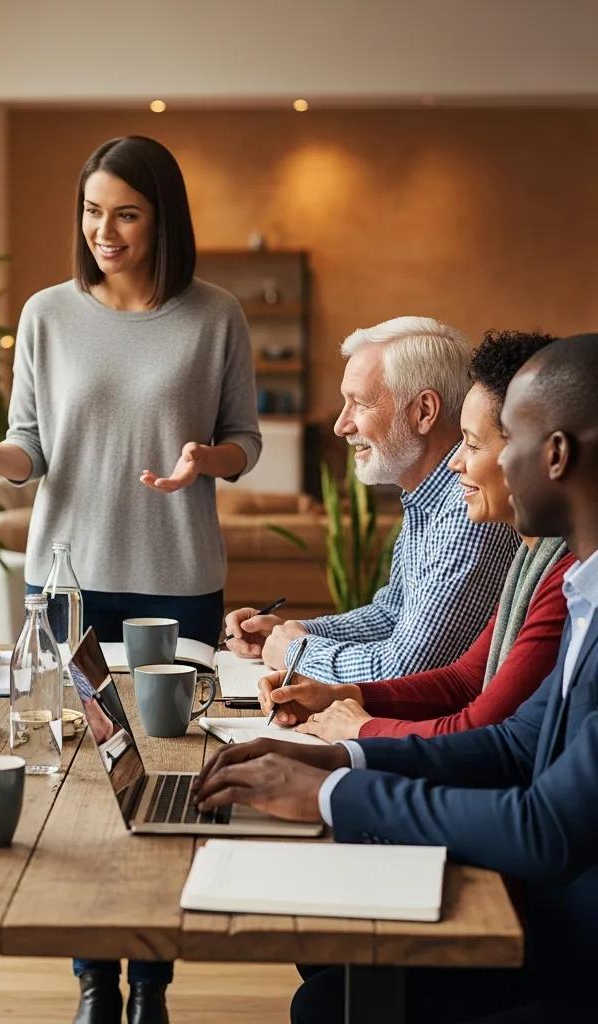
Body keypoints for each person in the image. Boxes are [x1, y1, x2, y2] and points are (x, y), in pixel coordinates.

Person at [0, 136, 262, 1023]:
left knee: (171, 778)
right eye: (92, 212)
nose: (104, 232)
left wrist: (205, 459)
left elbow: (245, 442)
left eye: (126, 214)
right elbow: (29, 448)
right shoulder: (47, 314)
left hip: (179, 581)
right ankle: (95, 980)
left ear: (163, 219)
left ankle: (153, 982)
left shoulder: (215, 314)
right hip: (68, 586)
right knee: (80, 780)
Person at [193, 333, 598, 1023]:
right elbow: (513, 743)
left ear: (554, 455)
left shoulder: (566, 583)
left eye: (497, 440)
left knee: (327, 1004)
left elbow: (543, 825)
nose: (468, 462)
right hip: (553, 919)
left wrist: (331, 790)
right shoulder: (580, 585)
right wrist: (334, 756)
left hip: (572, 954)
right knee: (331, 975)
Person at [259, 330, 574, 742]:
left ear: (552, 455)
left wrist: (359, 726)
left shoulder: (549, 564)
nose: (340, 425)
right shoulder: (530, 559)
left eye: (472, 444)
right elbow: (462, 677)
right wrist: (340, 693)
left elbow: (483, 729)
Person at [226, 315, 520, 682]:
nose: (341, 425)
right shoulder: (428, 498)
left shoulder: (467, 508)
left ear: (424, 411)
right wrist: (290, 631)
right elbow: (391, 614)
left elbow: (406, 668)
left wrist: (296, 650)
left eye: (359, 403)